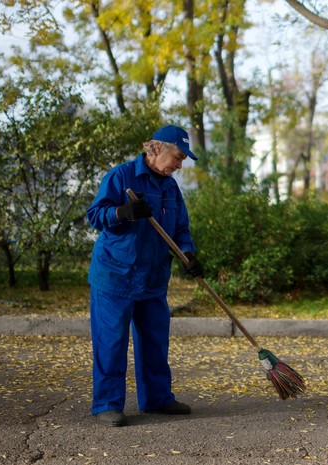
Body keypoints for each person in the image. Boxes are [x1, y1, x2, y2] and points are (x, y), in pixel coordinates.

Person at [86, 125, 204, 427]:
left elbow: (180, 229)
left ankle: (157, 399)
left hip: (153, 279)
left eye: (182, 161)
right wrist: (122, 213)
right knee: (111, 342)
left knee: (155, 341)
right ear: (155, 149)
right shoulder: (121, 176)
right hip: (115, 277)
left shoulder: (170, 188)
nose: (179, 165)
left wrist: (187, 254)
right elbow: (95, 215)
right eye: (177, 157)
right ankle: (107, 405)